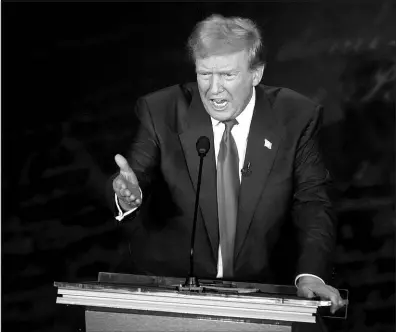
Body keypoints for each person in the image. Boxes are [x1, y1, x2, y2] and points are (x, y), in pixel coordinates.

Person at [108, 14, 346, 314]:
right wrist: (127, 195)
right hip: (167, 294)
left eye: (227, 75)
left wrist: (311, 275)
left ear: (256, 74)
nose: (213, 89)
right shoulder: (162, 110)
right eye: (205, 74)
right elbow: (133, 177)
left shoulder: (296, 117)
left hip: (259, 296)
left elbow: (313, 203)